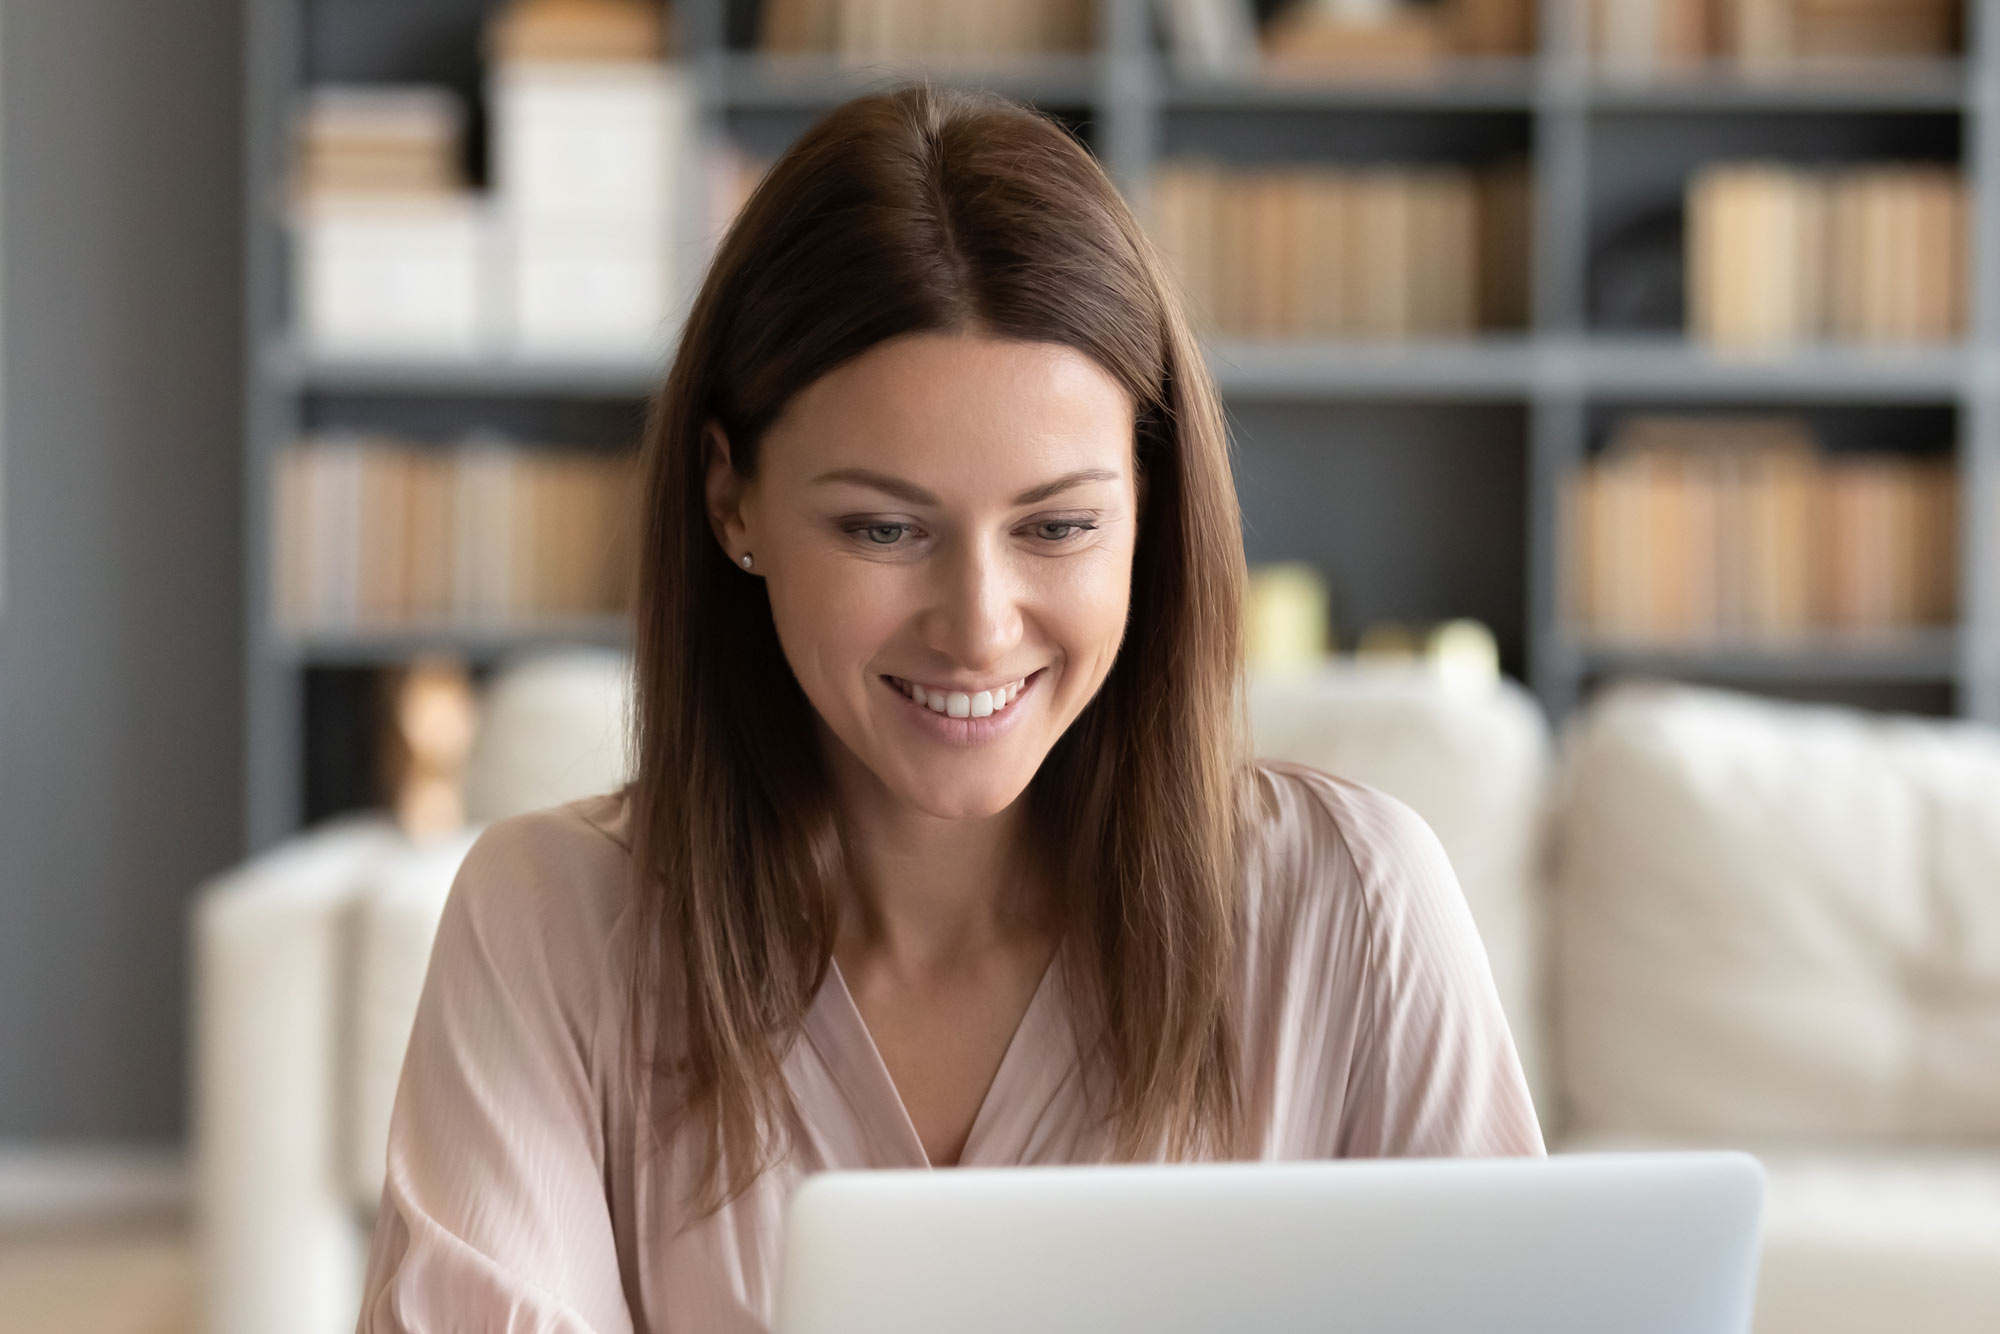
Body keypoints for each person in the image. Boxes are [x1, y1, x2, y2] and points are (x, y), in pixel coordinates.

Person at [356, 83, 1542, 1334]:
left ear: (1149, 508)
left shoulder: (1349, 911)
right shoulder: (550, 927)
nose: (977, 623)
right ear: (731, 500)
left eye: (1058, 525)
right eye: (883, 526)